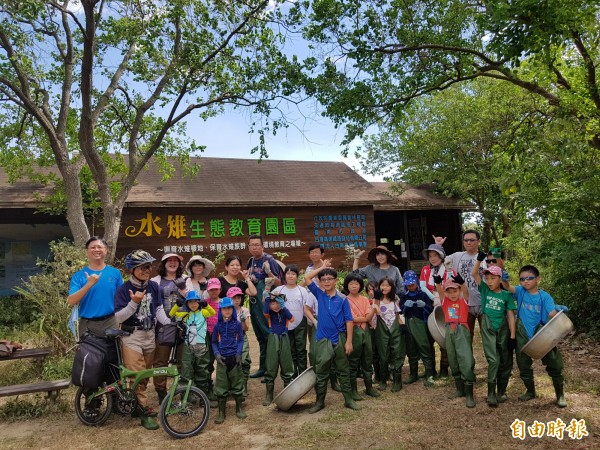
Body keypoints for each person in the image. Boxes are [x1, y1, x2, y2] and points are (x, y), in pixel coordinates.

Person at [501, 265, 569, 408]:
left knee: (554, 363)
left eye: (529, 278)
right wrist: (505, 281)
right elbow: (509, 288)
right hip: (522, 332)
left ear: (538, 279)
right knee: (523, 363)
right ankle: (530, 391)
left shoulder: (545, 296)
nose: (525, 282)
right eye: (522, 279)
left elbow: (551, 314)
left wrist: (559, 313)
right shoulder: (520, 292)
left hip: (542, 333)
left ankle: (560, 394)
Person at [114, 250, 165, 430]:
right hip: (131, 336)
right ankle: (144, 414)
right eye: (142, 267)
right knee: (138, 374)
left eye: (148, 266)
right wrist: (133, 302)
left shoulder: (153, 286)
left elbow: (158, 309)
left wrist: (170, 323)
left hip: (149, 334)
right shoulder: (123, 290)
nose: (146, 270)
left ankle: (136, 405)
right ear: (132, 269)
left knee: (145, 376)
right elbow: (118, 318)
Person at [304, 259, 359, 413]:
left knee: (343, 370)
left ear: (336, 281)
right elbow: (307, 278)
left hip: (339, 338)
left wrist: (348, 341)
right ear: (320, 282)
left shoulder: (342, 299)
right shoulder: (319, 294)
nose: (326, 281)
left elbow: (349, 320)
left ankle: (348, 400)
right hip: (323, 339)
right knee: (321, 372)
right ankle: (319, 402)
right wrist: (322, 267)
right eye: (323, 279)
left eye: (330, 279)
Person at [472, 255, 516, 407]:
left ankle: (501, 391)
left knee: (505, 361)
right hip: (488, 327)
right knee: (494, 360)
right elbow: (474, 274)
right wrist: (479, 259)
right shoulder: (484, 290)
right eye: (488, 278)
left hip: (503, 329)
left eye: (493, 278)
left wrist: (512, 336)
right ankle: (490, 393)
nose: (489, 282)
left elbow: (510, 316)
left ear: (500, 279)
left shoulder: (506, 295)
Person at [151, 253, 189, 403]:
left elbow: (192, 298)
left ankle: (182, 392)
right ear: (164, 263)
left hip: (182, 325)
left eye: (176, 261)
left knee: (182, 360)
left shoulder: (185, 279)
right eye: (169, 261)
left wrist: (184, 289)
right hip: (162, 326)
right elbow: (152, 303)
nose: (173, 263)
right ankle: (162, 394)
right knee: (161, 361)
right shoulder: (155, 281)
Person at [68, 237, 123, 338]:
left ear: (106, 250)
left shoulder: (115, 273)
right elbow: (71, 301)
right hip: (88, 324)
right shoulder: (78, 276)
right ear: (87, 251)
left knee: (113, 353)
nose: (96, 250)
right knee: (88, 353)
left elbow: (121, 299)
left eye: (99, 247)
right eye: (92, 247)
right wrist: (89, 284)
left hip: (111, 321)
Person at [437, 231, 487, 343]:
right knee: (466, 336)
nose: (468, 242)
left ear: (479, 241)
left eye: (472, 240)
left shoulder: (485, 258)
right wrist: (439, 246)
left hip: (483, 302)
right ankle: (467, 360)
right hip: (464, 304)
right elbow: (439, 259)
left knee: (487, 336)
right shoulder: (457, 256)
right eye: (466, 240)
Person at [434, 276, 475, 408]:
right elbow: (440, 292)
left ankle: (469, 394)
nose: (452, 294)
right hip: (449, 330)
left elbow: (466, 292)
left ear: (459, 291)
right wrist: (438, 283)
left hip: (462, 329)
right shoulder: (445, 302)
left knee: (465, 359)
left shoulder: (464, 300)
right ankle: (460, 389)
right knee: (453, 358)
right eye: (449, 291)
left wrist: (462, 283)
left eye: (455, 291)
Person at [246, 235, 284, 379]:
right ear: (248, 247)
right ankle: (263, 367)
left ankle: (271, 370)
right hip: (254, 302)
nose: (254, 247)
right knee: (260, 336)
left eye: (257, 244)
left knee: (268, 335)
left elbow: (279, 283)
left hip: (265, 302)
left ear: (263, 246)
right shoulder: (250, 261)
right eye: (252, 245)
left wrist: (268, 272)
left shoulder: (269, 260)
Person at [169, 290, 216, 398]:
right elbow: (171, 314)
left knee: (202, 368)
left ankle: (203, 394)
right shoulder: (185, 314)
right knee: (186, 368)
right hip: (188, 345)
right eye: (190, 302)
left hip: (201, 344)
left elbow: (212, 312)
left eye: (196, 302)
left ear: (199, 302)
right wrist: (177, 305)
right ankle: (187, 395)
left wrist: (207, 305)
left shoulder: (203, 312)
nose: (193, 304)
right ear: (187, 304)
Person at [343, 273, 379, 400]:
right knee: (353, 362)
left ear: (360, 285)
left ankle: (369, 388)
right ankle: (353, 391)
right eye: (351, 283)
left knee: (367, 360)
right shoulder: (344, 300)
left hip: (366, 332)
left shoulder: (364, 299)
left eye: (356, 283)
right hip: (353, 332)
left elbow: (369, 317)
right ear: (347, 285)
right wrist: (363, 318)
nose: (354, 286)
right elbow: (350, 319)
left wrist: (361, 318)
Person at [270, 264, 310, 378]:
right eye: (288, 273)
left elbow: (306, 308)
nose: (291, 276)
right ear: (284, 276)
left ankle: (303, 374)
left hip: (300, 324)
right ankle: (293, 373)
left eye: (293, 274)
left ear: (297, 276)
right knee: (290, 349)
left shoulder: (302, 290)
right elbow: (270, 304)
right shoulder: (279, 290)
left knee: (301, 349)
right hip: (285, 325)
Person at [419, 242, 451, 378]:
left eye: (435, 255)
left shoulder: (448, 270)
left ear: (442, 256)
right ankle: (430, 369)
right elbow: (422, 286)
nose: (432, 258)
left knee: (444, 335)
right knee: (428, 336)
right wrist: (433, 297)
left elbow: (451, 286)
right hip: (428, 305)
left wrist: (441, 296)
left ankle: (444, 368)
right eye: (430, 256)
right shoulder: (426, 270)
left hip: (445, 305)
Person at [211, 297, 246, 424]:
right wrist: (216, 354)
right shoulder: (217, 326)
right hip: (222, 359)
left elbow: (241, 339)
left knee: (237, 383)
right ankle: (221, 412)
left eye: (229, 308)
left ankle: (239, 408)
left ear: (233, 309)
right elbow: (214, 342)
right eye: (224, 308)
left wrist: (238, 353)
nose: (227, 311)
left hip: (234, 358)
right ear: (220, 310)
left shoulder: (237, 324)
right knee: (221, 385)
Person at [400, 270, 435, 387]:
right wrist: (405, 306)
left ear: (417, 283)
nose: (410, 286)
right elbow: (400, 311)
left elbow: (430, 309)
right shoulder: (404, 296)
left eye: (412, 284)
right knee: (411, 349)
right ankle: (413, 374)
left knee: (424, 347)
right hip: (409, 323)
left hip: (421, 324)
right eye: (408, 285)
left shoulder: (423, 295)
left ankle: (430, 374)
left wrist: (425, 305)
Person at [262, 291, 295, 406]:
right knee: (271, 363)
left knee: (286, 363)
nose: (275, 306)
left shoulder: (284, 312)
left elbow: (292, 319)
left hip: (284, 337)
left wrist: (284, 307)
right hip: (273, 337)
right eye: (272, 304)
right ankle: (269, 394)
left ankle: (288, 392)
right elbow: (265, 312)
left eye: (277, 303)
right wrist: (267, 300)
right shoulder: (269, 313)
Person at [373, 277, 405, 392]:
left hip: (394, 328)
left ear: (391, 287)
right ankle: (383, 381)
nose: (384, 287)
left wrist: (401, 325)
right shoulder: (377, 299)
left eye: (387, 285)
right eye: (382, 285)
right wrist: (376, 298)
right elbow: (375, 310)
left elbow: (397, 315)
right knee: (383, 355)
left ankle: (397, 381)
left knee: (396, 353)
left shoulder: (395, 299)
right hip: (381, 329)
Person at [227, 287, 251, 399]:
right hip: (230, 338)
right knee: (230, 362)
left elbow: (246, 328)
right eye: (233, 298)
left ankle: (243, 386)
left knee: (244, 360)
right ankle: (231, 387)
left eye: (238, 297)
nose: (236, 300)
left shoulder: (244, 310)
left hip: (241, 337)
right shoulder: (225, 310)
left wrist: (242, 321)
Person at [201, 278, 223, 404]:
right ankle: (208, 388)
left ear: (220, 289)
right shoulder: (204, 303)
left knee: (223, 360)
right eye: (211, 289)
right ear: (208, 291)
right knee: (208, 362)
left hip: (222, 336)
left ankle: (222, 387)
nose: (214, 291)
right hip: (207, 335)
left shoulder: (225, 302)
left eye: (216, 289)